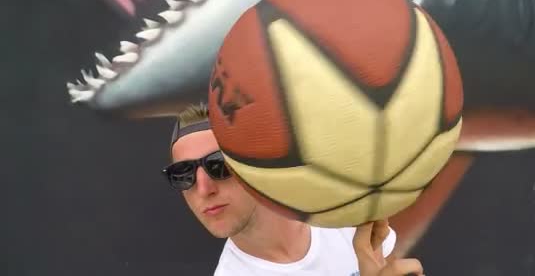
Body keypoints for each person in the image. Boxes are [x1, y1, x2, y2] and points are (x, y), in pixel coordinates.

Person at [163, 104, 425, 276]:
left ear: (254, 163)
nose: (204, 188)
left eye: (218, 165)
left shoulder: (342, 217)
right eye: (183, 174)